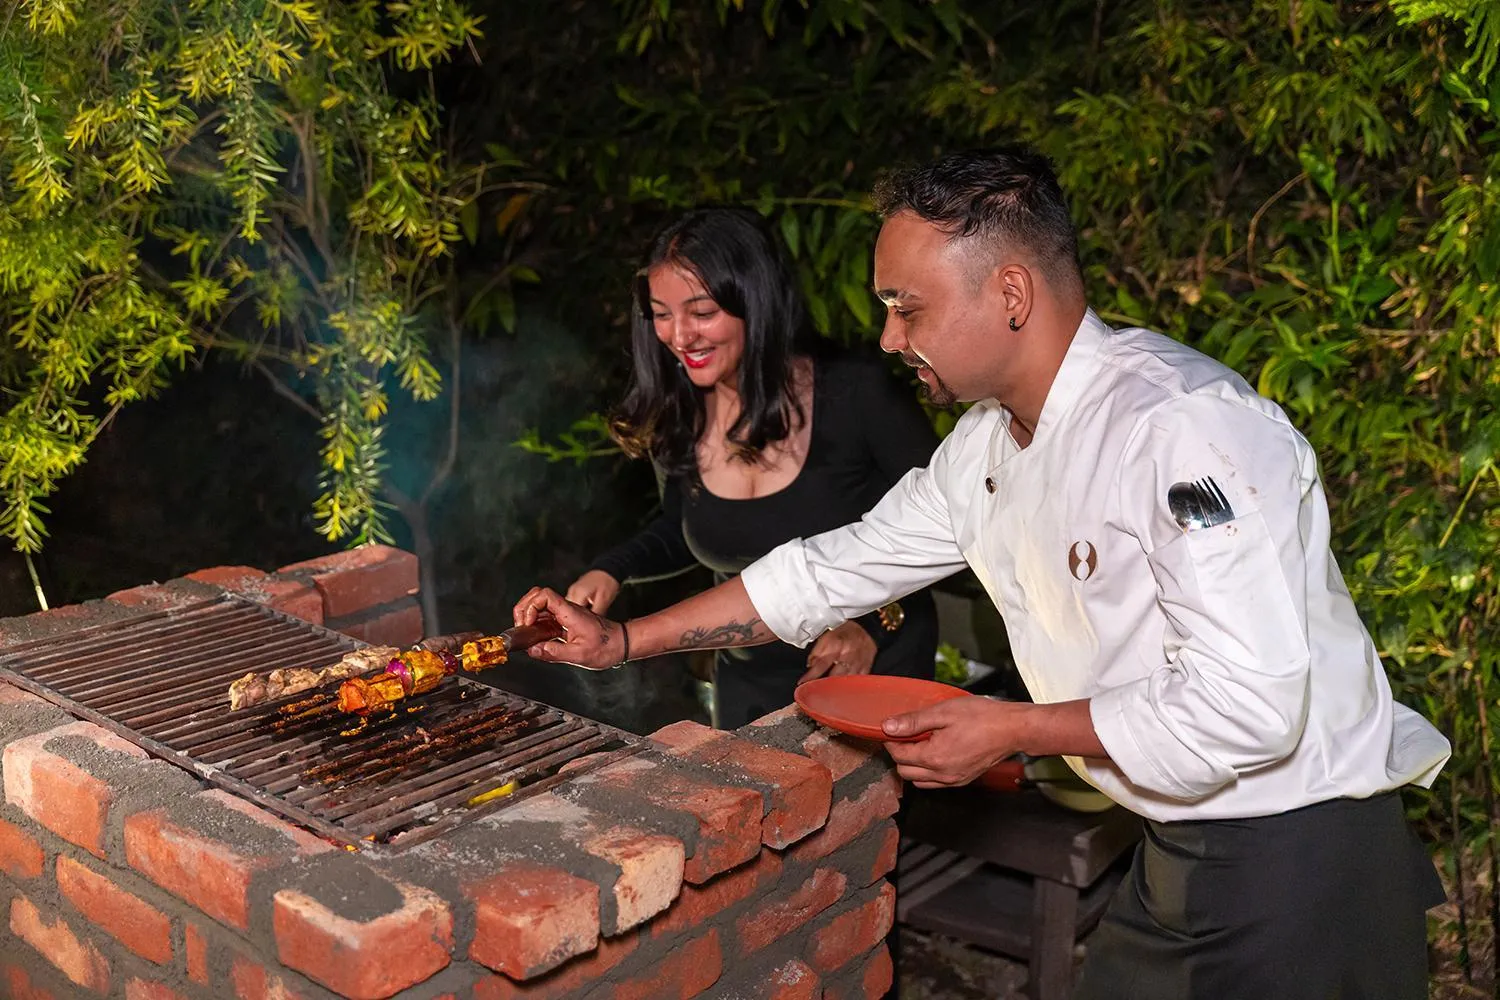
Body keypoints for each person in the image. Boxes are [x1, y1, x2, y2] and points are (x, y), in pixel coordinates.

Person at [514, 148, 1453, 999]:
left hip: (1300, 854)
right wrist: (626, 638)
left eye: (906, 308)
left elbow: (1252, 704)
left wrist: (1013, 729)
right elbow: (826, 570)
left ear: (1010, 293)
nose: (887, 341)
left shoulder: (1183, 429)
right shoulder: (985, 448)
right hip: (1181, 844)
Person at [564, 207, 941, 729]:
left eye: (701, 312)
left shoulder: (858, 395)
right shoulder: (682, 413)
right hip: (749, 686)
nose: (679, 336)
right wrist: (612, 568)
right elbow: (686, 526)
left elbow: (945, 525)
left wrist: (872, 629)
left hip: (873, 674)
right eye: (661, 314)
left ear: (756, 304)